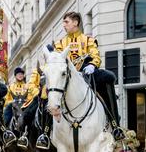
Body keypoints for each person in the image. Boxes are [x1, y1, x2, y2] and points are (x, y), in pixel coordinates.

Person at [53, 11, 124, 141]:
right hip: (66, 75)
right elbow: (57, 60)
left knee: (108, 77)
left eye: (66, 22)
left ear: (75, 22)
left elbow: (95, 55)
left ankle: (115, 125)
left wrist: (92, 65)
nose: (64, 25)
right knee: (49, 90)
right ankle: (46, 133)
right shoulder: (59, 44)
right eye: (63, 22)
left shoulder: (88, 40)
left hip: (87, 72)